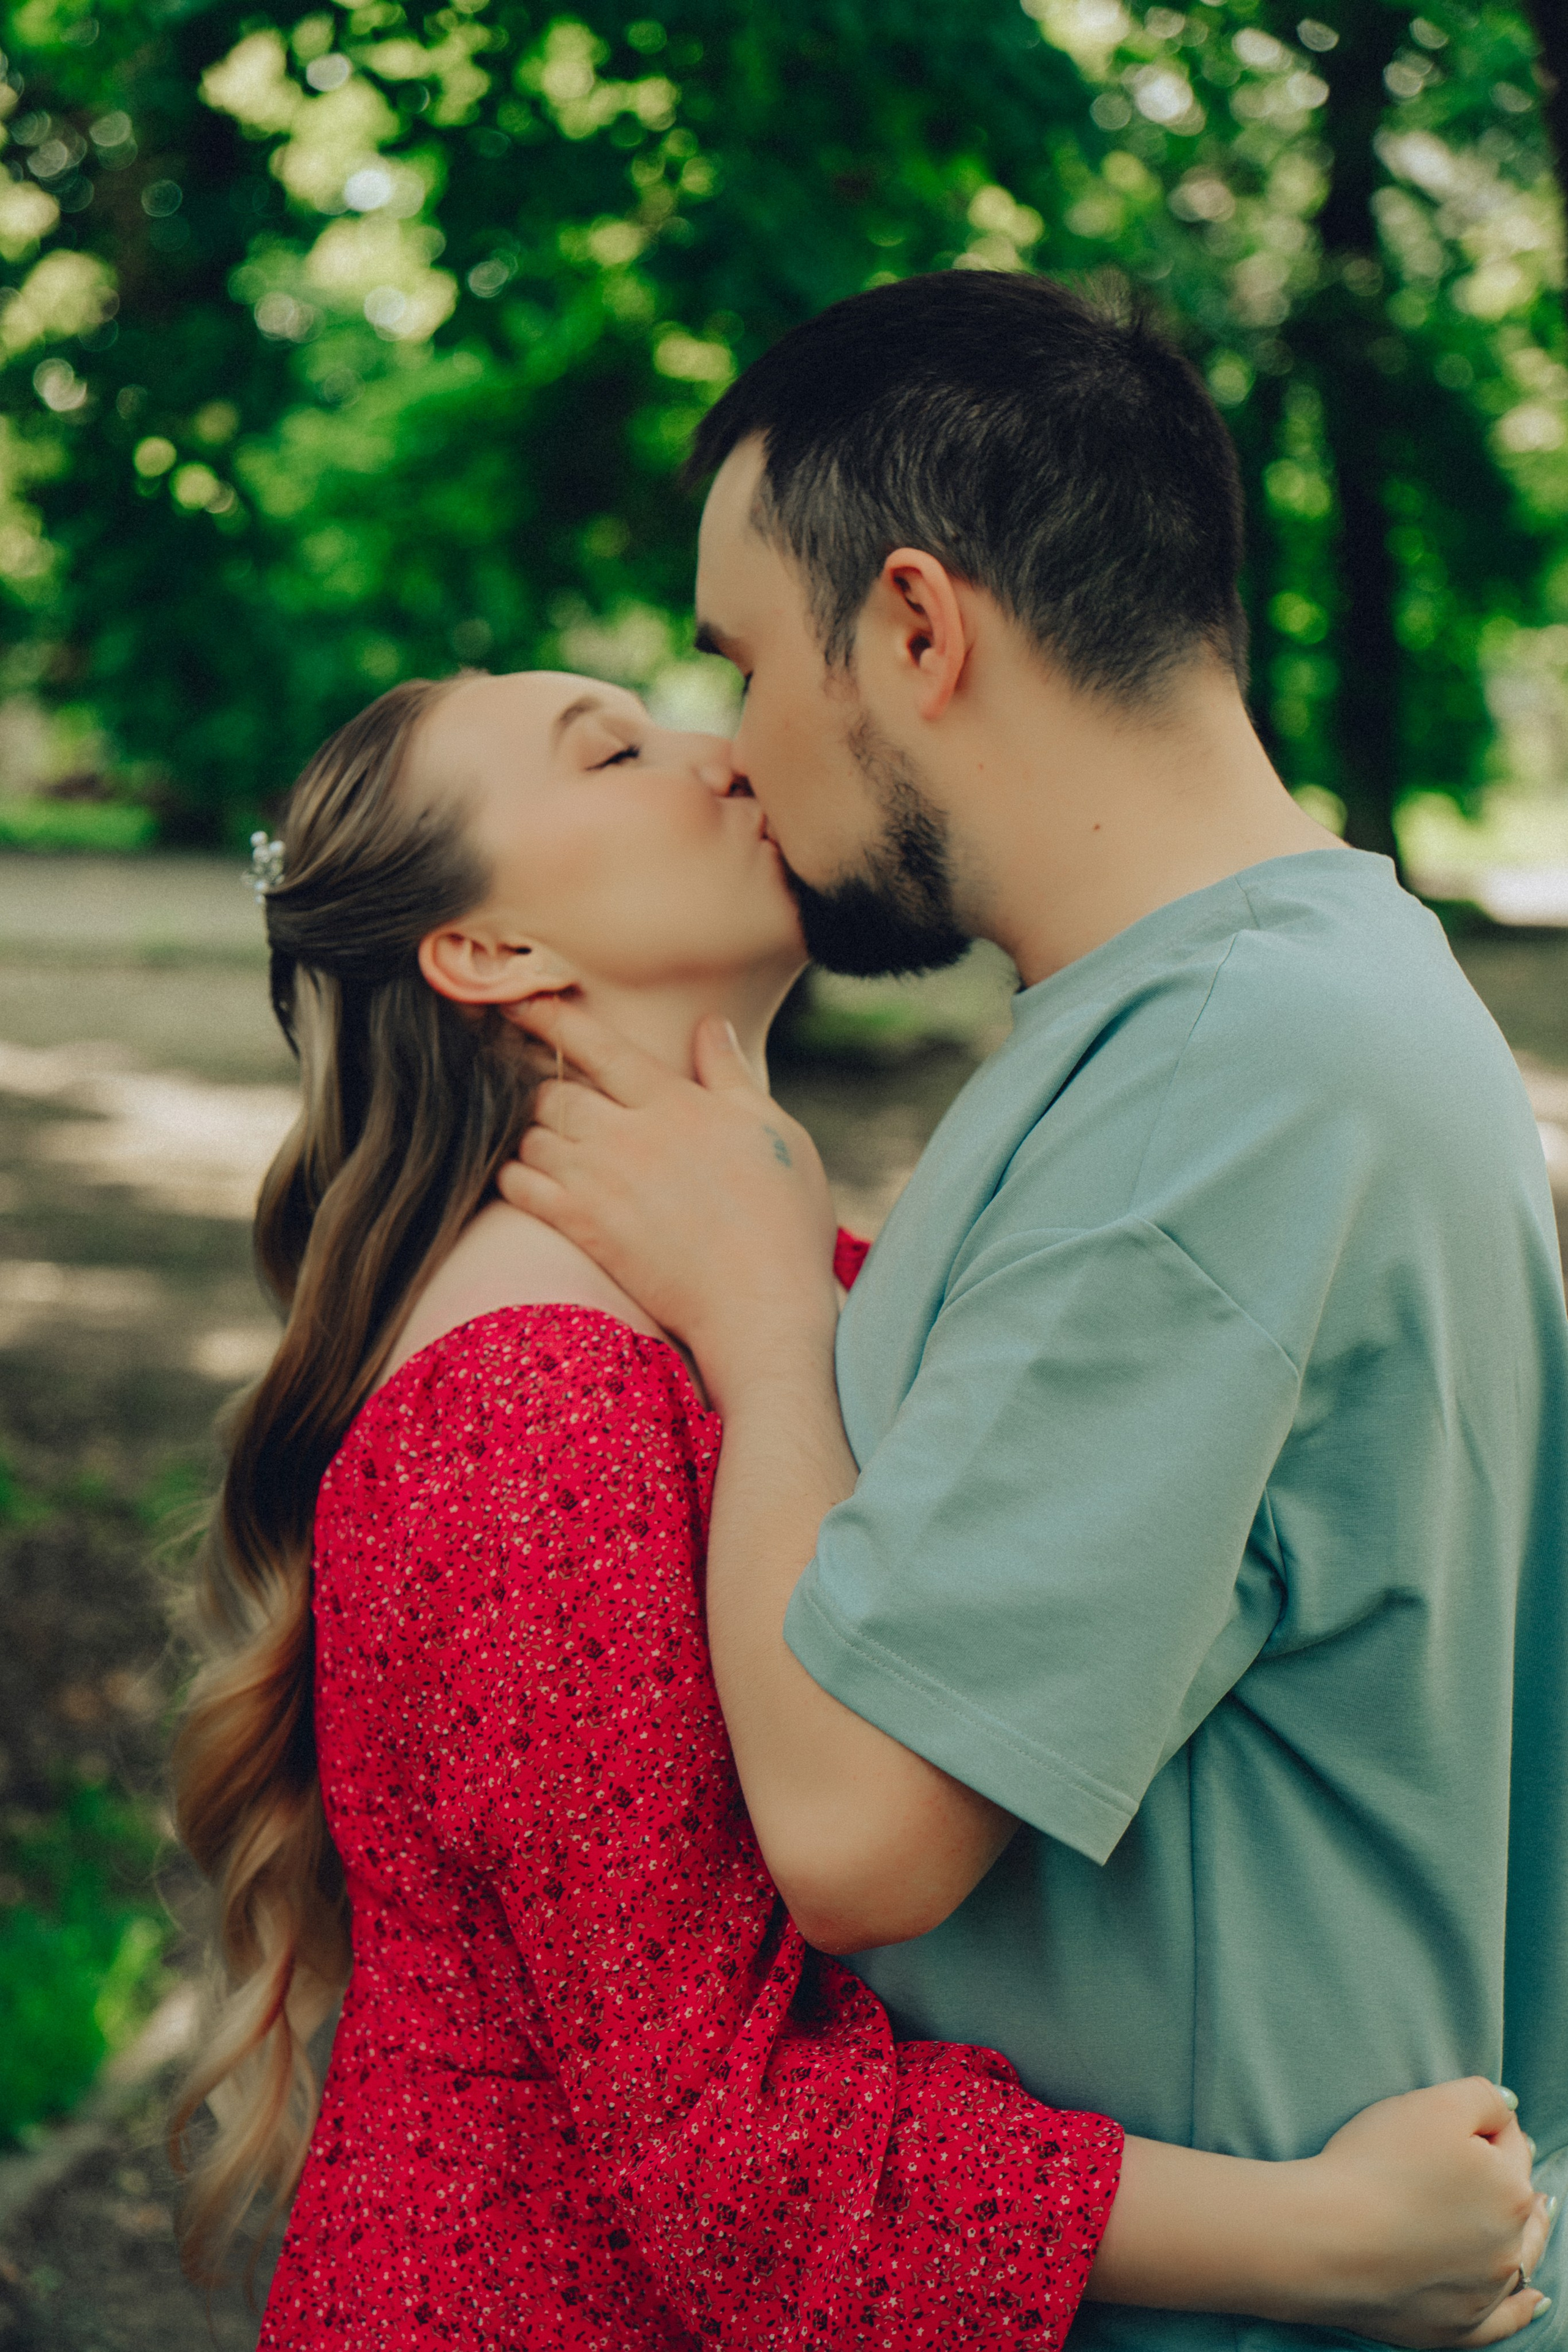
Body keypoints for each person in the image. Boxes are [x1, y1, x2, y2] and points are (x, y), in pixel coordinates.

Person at [169, 669, 1548, 2350]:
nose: (726, 747)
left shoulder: (746, 1272)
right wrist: (1325, 2239)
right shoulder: (527, 1409)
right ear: (490, 952)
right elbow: (719, 2162)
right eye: (617, 750)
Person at [497, 270, 1568, 2352]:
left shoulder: (1225, 1086)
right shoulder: (1260, 1009)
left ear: (917, 627)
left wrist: (755, 1310)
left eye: (741, 661)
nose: (729, 748)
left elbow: (857, 1833)